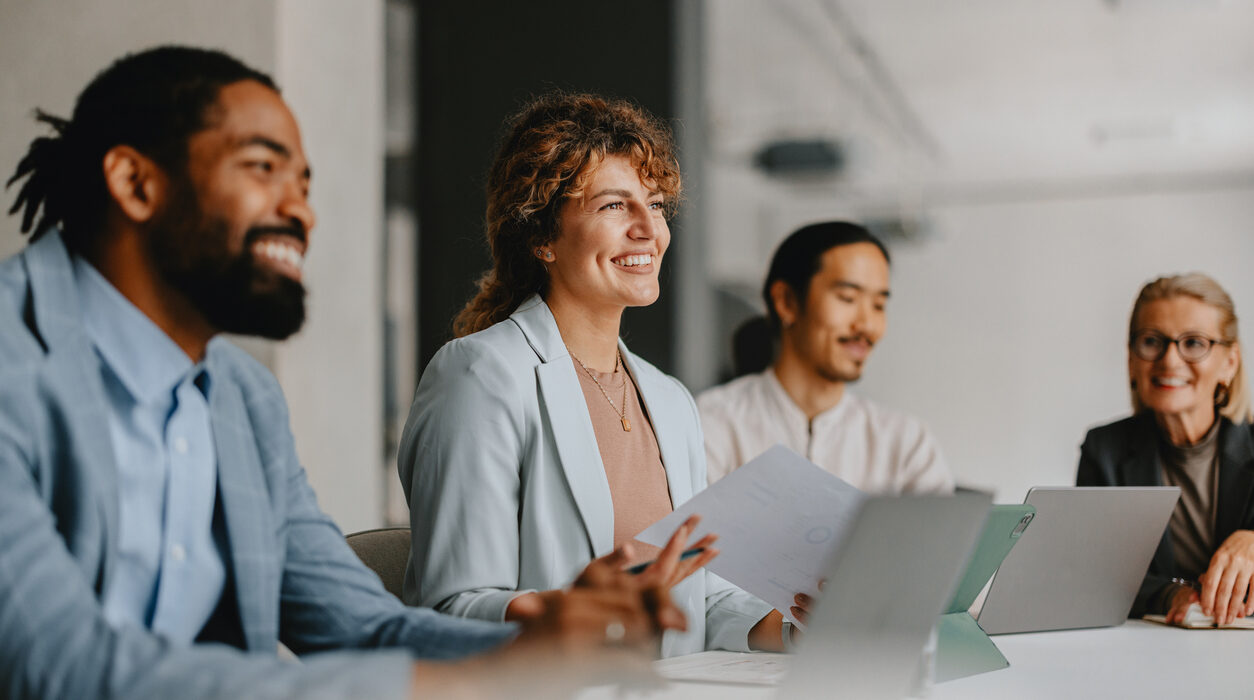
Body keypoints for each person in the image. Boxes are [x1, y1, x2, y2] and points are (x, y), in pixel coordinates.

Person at [0, 46, 686, 700]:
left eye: (304, 182)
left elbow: (362, 627)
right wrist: (454, 686)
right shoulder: (14, 366)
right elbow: (56, 666)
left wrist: (542, 640)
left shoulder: (241, 398)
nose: (301, 210)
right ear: (135, 183)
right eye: (263, 169)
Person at [399, 92, 811, 658]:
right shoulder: (480, 376)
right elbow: (450, 612)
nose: (649, 229)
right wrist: (572, 611)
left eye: (657, 204)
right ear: (542, 236)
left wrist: (796, 627)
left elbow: (700, 605)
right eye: (614, 206)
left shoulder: (669, 400)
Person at [697, 221, 955, 494]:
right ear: (786, 301)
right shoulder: (710, 423)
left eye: (879, 305)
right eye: (847, 298)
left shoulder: (906, 442)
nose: (867, 325)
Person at [1077, 273, 1254, 625]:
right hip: (1149, 649)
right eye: (1151, 341)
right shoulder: (1104, 450)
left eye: (1193, 343)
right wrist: (1170, 594)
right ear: (1131, 359)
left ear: (1229, 364)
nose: (1170, 360)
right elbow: (1093, 573)